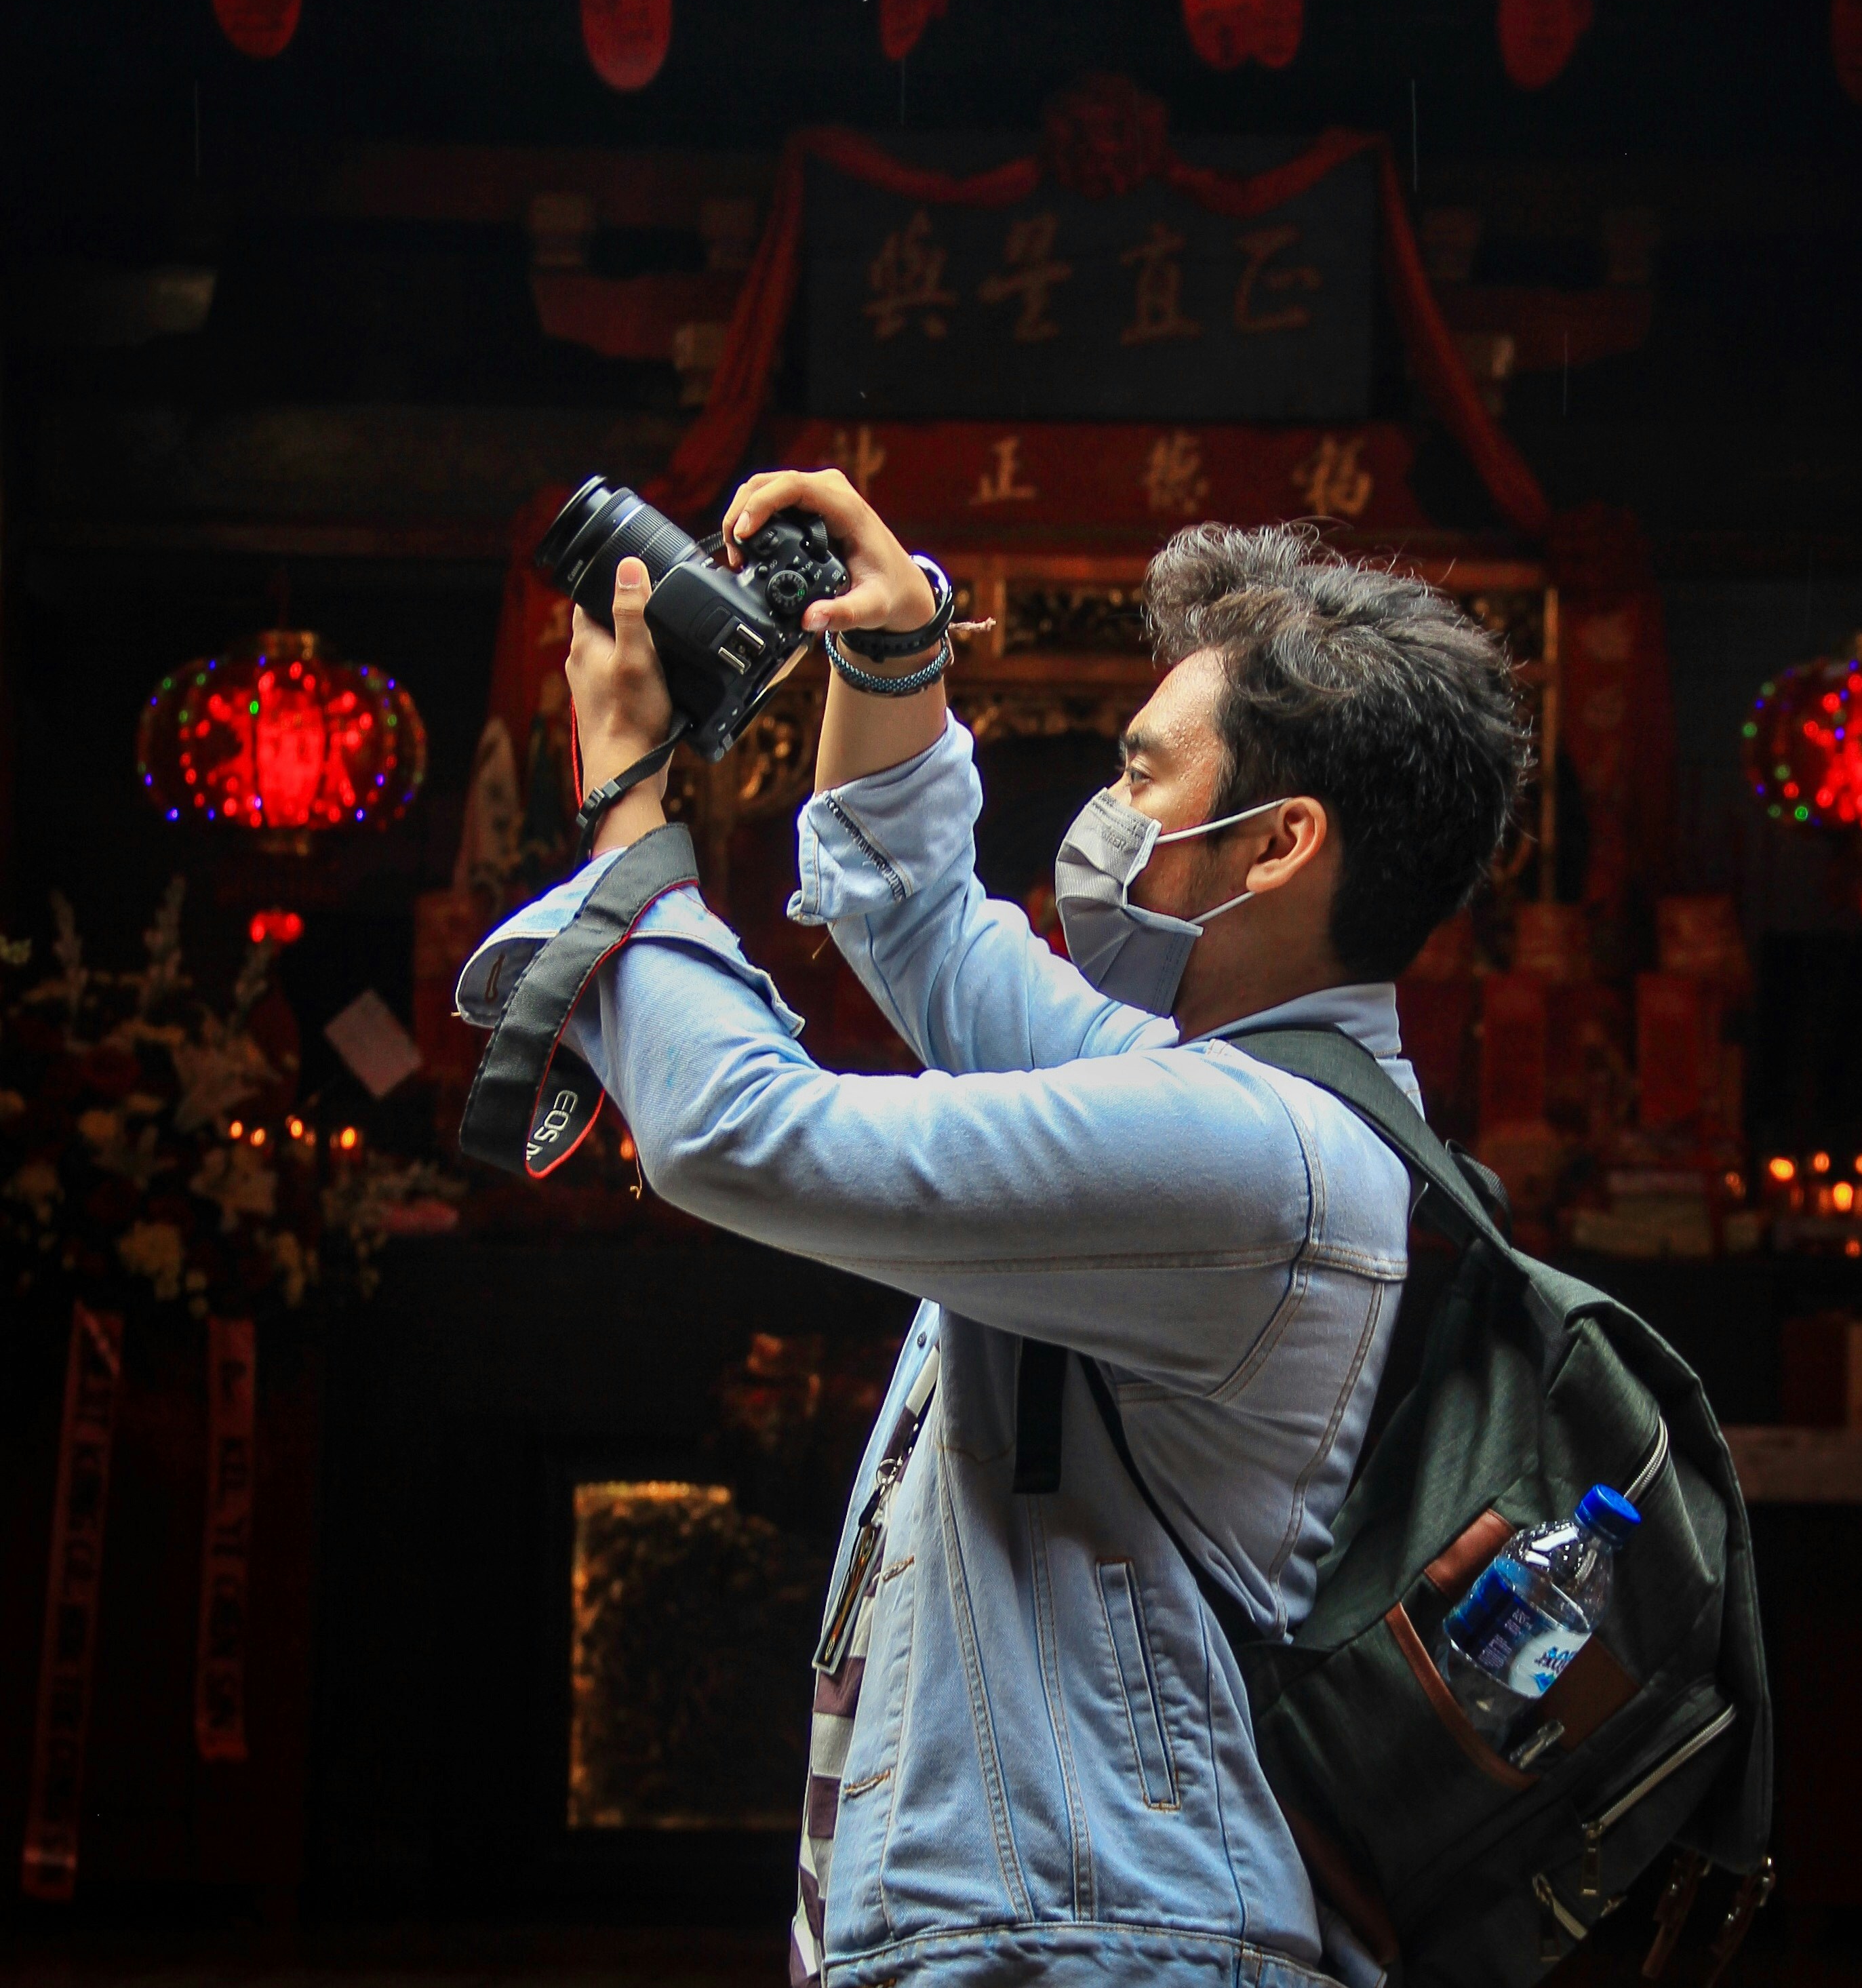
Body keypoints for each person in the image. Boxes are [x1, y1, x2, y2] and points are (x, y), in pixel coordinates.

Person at [457, 470, 1529, 1988]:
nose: (1106, 819)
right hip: (1090, 1918)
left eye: (1145, 778)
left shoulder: (1251, 1152)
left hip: (1103, 1934)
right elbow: (915, 922)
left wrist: (629, 808)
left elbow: (742, 1135)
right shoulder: (1227, 1095)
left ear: (1278, 842)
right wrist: (888, 654)